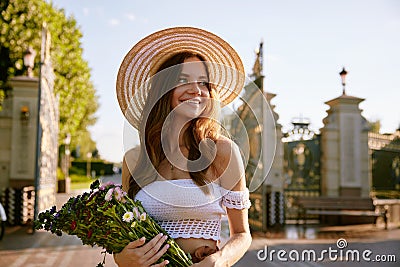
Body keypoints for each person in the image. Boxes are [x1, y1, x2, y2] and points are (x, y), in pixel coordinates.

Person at [115, 27, 251, 266]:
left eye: (203, 82)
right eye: (182, 80)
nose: (196, 90)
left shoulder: (223, 152)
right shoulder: (135, 159)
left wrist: (220, 260)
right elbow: (120, 234)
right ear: (163, 90)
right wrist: (122, 258)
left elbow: (242, 234)